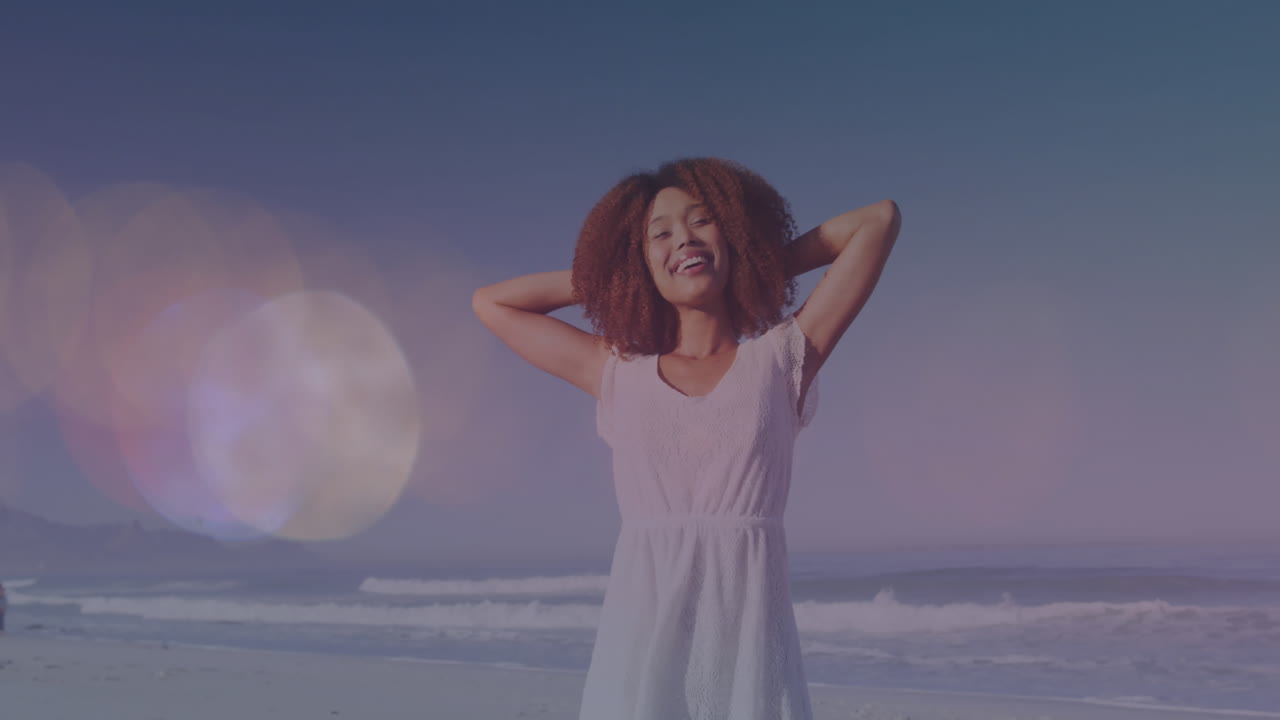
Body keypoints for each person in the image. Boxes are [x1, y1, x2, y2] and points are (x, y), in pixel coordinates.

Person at [472, 157, 900, 719]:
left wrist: (758, 263)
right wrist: (622, 277)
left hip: (748, 638)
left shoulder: (781, 358)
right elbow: (492, 303)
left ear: (735, 233)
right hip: (641, 637)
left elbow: (877, 221)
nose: (685, 240)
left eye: (702, 222)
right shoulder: (617, 372)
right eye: (662, 234)